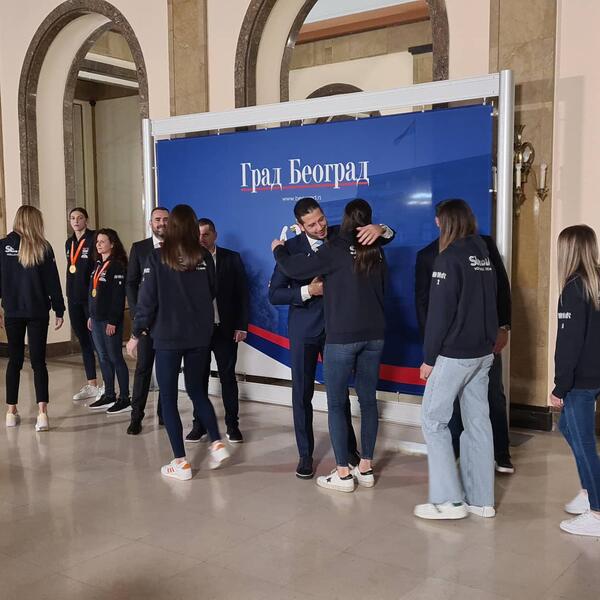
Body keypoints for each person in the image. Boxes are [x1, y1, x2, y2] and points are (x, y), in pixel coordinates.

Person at [269, 197, 394, 479]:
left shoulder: (341, 235)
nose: (320, 227)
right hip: (305, 332)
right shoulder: (290, 249)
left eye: (321, 219)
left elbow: (382, 238)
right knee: (302, 394)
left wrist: (381, 228)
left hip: (341, 332)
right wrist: (308, 291)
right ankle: (305, 455)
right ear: (300, 226)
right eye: (312, 225)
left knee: (340, 396)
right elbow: (274, 294)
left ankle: (348, 451)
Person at [127, 204, 229, 481]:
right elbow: (211, 291)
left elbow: (146, 301)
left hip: (168, 337)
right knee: (198, 391)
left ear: (171, 227)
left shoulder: (157, 257)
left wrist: (135, 335)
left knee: (169, 398)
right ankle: (217, 442)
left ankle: (181, 462)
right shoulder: (204, 256)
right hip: (199, 336)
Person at [415, 200, 514, 473]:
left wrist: (503, 327)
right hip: (454, 346)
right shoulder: (430, 255)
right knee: (466, 414)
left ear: (442, 221)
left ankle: (497, 457)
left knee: (480, 405)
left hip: (477, 345)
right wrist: (431, 348)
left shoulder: (481, 247)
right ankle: (466, 470)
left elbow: (500, 289)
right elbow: (426, 306)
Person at [550, 225, 600, 537]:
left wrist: (560, 386)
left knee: (584, 443)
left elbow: (568, 346)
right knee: (568, 428)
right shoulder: (595, 282)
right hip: (594, 375)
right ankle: (588, 490)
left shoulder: (573, 288)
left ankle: (597, 513)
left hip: (581, 380)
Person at [1, 205, 65, 432]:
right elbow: (52, 281)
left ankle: (11, 412)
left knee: (14, 361)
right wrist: (59, 309)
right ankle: (42, 414)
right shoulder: (43, 247)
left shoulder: (2, 246)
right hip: (38, 311)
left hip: (13, 311)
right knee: (39, 363)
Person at [185, 218, 249, 443]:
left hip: (226, 330)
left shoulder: (231, 258)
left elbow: (243, 294)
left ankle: (233, 425)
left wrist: (242, 325)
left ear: (215, 235)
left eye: (206, 234)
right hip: (199, 333)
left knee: (227, 378)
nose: (201, 239)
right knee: (198, 379)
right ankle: (199, 425)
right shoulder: (189, 259)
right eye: (198, 235)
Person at [126, 206, 169, 435]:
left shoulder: (177, 248)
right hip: (145, 323)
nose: (161, 223)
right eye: (157, 219)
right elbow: (131, 283)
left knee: (166, 371)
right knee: (143, 369)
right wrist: (136, 316)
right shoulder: (139, 248)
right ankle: (136, 417)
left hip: (169, 323)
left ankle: (164, 414)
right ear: (150, 223)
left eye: (165, 219)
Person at [87, 229, 129, 412]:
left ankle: (125, 397)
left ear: (112, 244)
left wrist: (113, 320)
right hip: (96, 319)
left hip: (109, 320)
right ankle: (109, 394)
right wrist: (91, 315)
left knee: (115, 357)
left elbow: (118, 297)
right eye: (97, 241)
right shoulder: (98, 265)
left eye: (103, 241)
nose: (98, 244)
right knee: (103, 357)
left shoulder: (116, 266)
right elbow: (92, 293)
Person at [65, 207, 102, 402]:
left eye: (80, 218)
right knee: (84, 342)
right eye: (72, 218)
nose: (76, 221)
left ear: (86, 220)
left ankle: (108, 386)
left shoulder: (94, 239)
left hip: (91, 299)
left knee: (98, 342)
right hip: (74, 298)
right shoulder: (69, 242)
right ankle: (92, 384)